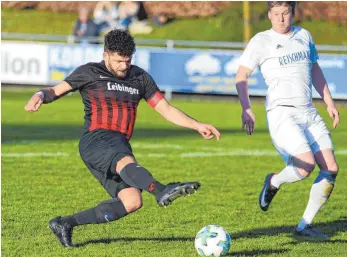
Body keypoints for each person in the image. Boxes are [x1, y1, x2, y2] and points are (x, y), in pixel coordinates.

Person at [24, 29, 220, 247]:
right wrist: (40, 95)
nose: (124, 66)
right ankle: (161, 190)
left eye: (128, 60)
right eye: (119, 61)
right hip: (96, 139)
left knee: (132, 201)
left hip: (118, 143)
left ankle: (65, 223)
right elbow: (55, 90)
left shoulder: (140, 77)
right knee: (125, 161)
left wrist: (197, 125)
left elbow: (165, 109)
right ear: (106, 54)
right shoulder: (90, 72)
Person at [235, 1, 340, 239]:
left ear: (293, 13)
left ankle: (305, 226)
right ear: (269, 15)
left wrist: (329, 102)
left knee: (331, 168)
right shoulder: (261, 41)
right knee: (306, 166)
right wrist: (246, 108)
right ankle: (273, 181)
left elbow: (315, 69)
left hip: (308, 111)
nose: (281, 19)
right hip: (281, 112)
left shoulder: (304, 35)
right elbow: (241, 76)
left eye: (285, 13)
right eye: (276, 14)